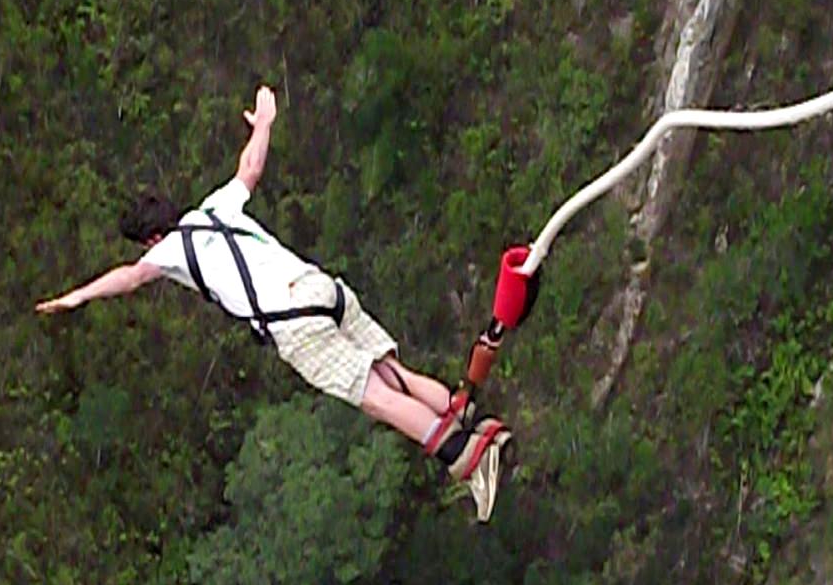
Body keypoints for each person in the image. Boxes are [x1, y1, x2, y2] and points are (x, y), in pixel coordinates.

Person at [36, 85, 510, 520]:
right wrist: (263, 123)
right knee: (393, 372)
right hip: (321, 287)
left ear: (152, 237)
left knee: (379, 400)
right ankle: (478, 424)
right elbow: (251, 168)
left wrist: (77, 296)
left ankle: (467, 459)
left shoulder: (166, 251)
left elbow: (131, 278)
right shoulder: (215, 207)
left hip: (292, 321)